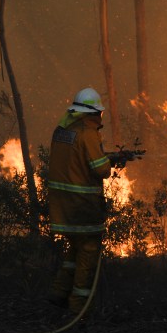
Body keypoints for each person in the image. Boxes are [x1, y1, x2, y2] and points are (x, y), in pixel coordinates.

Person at [46, 87, 115, 315]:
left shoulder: (62, 130)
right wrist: (110, 162)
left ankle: (58, 293)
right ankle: (79, 311)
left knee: (73, 252)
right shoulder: (88, 133)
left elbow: (74, 160)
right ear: (92, 113)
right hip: (82, 205)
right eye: (99, 113)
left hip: (62, 205)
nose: (100, 117)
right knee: (87, 255)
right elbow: (101, 169)